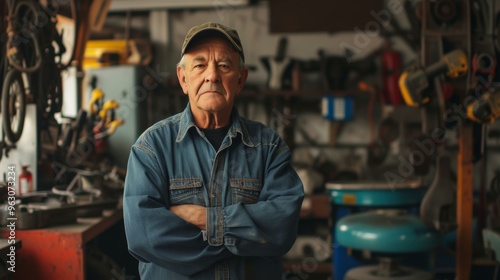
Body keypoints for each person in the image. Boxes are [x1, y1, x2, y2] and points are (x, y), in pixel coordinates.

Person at [123, 21, 304, 280]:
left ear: (240, 79)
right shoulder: (151, 147)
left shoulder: (269, 147)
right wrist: (242, 241)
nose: (212, 75)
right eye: (199, 65)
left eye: (224, 65)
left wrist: (206, 219)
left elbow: (282, 228)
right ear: (183, 78)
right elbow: (144, 236)